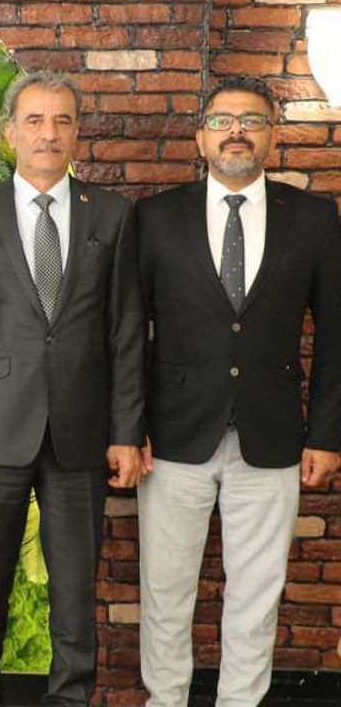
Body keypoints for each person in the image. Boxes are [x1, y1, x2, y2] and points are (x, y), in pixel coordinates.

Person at [0, 71, 146, 707]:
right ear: (9, 133)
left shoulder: (113, 216)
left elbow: (127, 333)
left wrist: (126, 431)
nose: (48, 134)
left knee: (76, 592)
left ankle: (70, 698)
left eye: (62, 121)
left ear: (78, 134)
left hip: (82, 433)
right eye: (34, 120)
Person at [135, 75, 341, 707]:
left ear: (272, 137)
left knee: (256, 594)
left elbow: (335, 334)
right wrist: (128, 428)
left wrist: (326, 435)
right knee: (166, 592)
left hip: (273, 436)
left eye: (251, 121)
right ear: (201, 136)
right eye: (222, 121)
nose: (236, 133)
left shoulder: (313, 218)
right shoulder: (155, 217)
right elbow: (127, 333)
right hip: (171, 437)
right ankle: (164, 700)